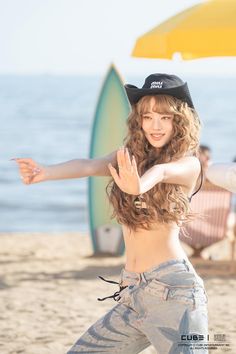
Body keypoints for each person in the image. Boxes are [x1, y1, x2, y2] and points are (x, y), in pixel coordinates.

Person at [12, 73, 209, 354]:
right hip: (132, 291)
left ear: (179, 120)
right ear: (138, 120)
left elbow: (162, 172)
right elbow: (89, 165)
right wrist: (46, 172)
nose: (155, 125)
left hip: (174, 291)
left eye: (165, 117)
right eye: (148, 116)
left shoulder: (188, 163)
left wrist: (139, 185)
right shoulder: (128, 158)